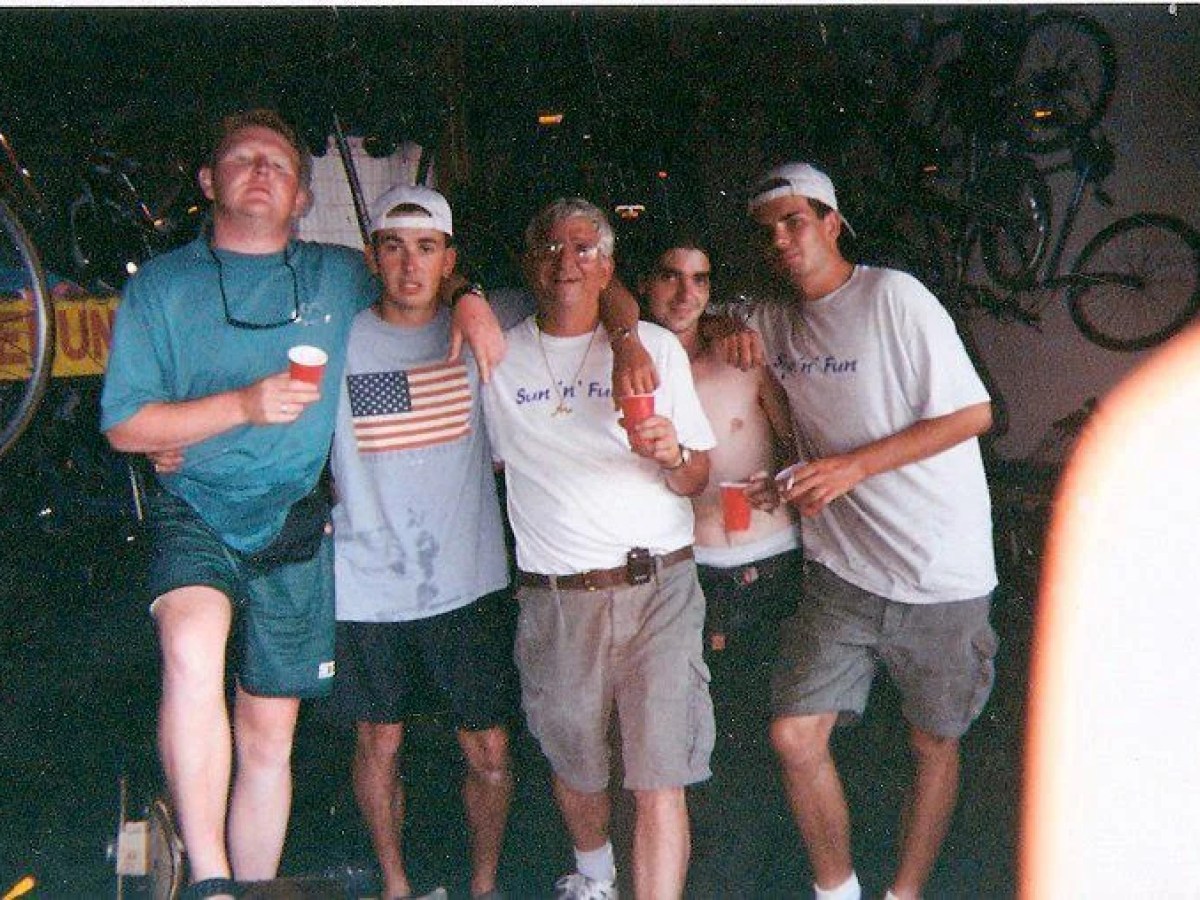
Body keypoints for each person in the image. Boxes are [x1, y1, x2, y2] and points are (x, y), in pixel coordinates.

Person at [99, 109, 502, 900]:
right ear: (208, 181)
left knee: (270, 728)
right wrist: (238, 407)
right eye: (242, 159)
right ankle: (209, 878)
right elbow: (124, 425)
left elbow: (418, 270)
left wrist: (472, 298)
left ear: (303, 195)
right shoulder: (163, 287)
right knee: (191, 646)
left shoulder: (338, 273)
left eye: (278, 164)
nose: (261, 172)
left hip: (294, 513)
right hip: (197, 507)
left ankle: (249, 885)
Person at [730, 163, 998, 900]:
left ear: (832, 222)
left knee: (932, 742)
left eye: (795, 221)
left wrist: (852, 468)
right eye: (767, 231)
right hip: (843, 573)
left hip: (940, 570)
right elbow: (697, 310)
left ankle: (903, 892)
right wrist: (726, 330)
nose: (781, 240)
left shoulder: (892, 296)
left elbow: (974, 414)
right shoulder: (771, 318)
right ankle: (836, 890)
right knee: (794, 735)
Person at [483, 198, 716, 900]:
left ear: (609, 267)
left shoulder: (656, 349)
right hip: (557, 596)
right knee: (576, 763)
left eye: (585, 249)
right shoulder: (496, 356)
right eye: (551, 248)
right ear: (529, 262)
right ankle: (595, 878)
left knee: (659, 774)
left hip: (657, 584)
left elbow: (698, 477)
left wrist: (674, 454)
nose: (567, 262)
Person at [329, 183, 514, 900]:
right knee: (379, 740)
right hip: (368, 581)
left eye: (427, 248)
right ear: (371, 257)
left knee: (489, 747)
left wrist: (472, 300)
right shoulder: (339, 339)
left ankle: (484, 887)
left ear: (450, 259)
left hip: (467, 578)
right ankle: (395, 886)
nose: (411, 265)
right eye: (395, 248)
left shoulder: (490, 325)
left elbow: (595, 293)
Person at [638, 227, 801, 666]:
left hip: (772, 551)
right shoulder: (634, 373)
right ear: (644, 284)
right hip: (689, 561)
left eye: (700, 280)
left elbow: (795, 443)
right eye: (670, 277)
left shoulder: (742, 360)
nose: (685, 294)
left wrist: (782, 482)